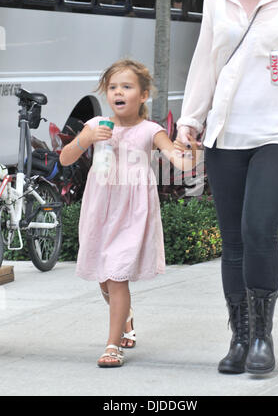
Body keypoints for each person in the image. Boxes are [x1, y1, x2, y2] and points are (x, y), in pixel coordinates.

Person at [176, 0, 278, 375]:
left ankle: (264, 337)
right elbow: (204, 62)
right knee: (233, 240)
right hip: (225, 134)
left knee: (258, 229)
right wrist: (190, 119)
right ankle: (241, 337)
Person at [59, 59, 199, 368]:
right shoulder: (95, 125)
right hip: (99, 209)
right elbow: (67, 159)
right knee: (104, 278)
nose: (118, 92)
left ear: (144, 95)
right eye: (112, 87)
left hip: (132, 210)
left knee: (116, 275)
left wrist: (189, 150)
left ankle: (112, 345)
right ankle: (126, 317)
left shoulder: (150, 130)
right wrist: (85, 139)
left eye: (126, 86)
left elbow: (181, 162)